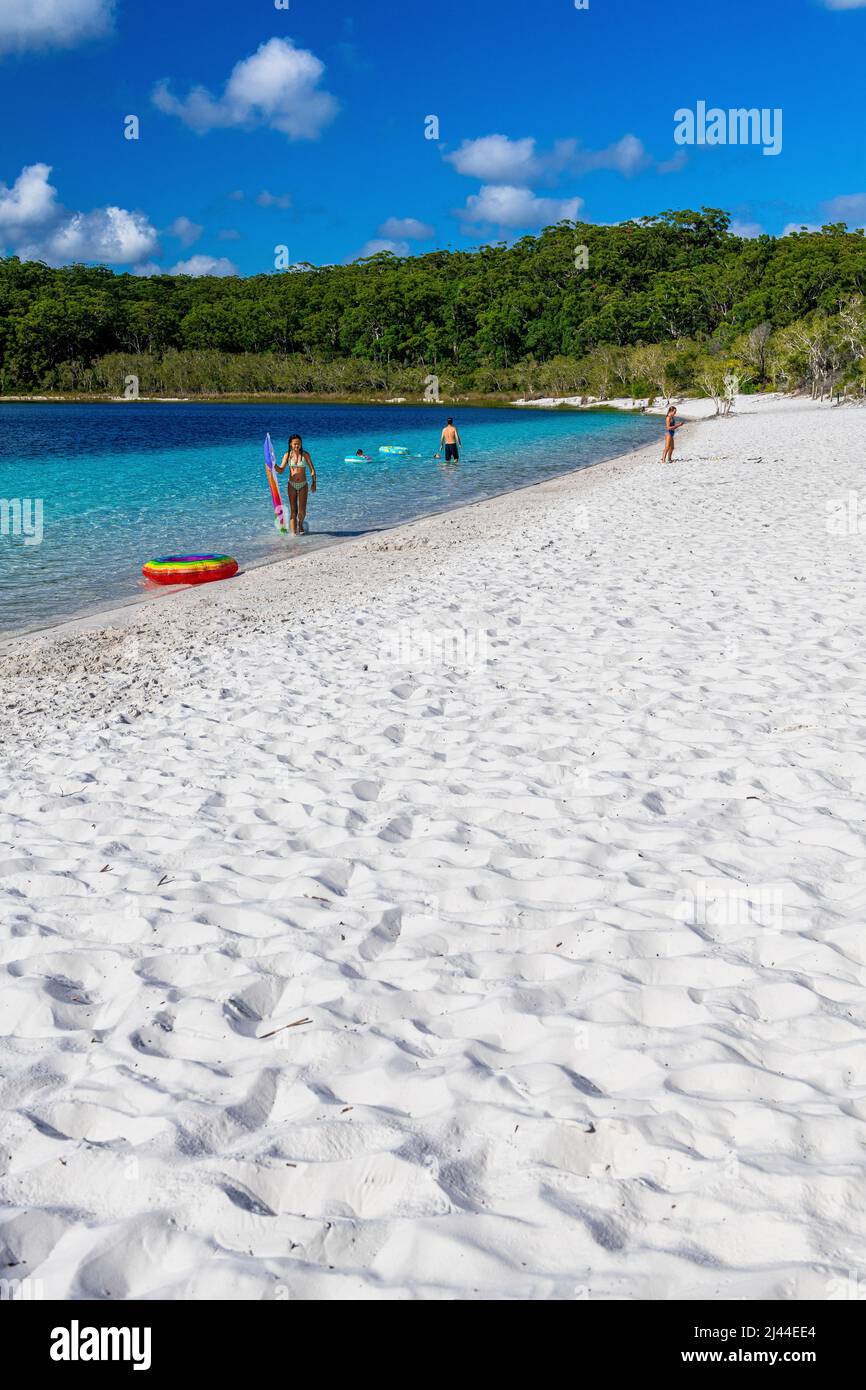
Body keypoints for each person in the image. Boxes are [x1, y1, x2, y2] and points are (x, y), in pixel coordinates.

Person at [276, 432, 316, 534]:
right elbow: (281, 470)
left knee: (302, 511)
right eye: (295, 444)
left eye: (299, 443)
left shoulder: (305, 455)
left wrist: (314, 482)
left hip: (303, 485)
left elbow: (312, 470)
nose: (297, 446)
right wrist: (272, 465)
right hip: (291, 485)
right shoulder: (287, 455)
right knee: (293, 511)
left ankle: (301, 523)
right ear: (290, 444)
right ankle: (294, 538)